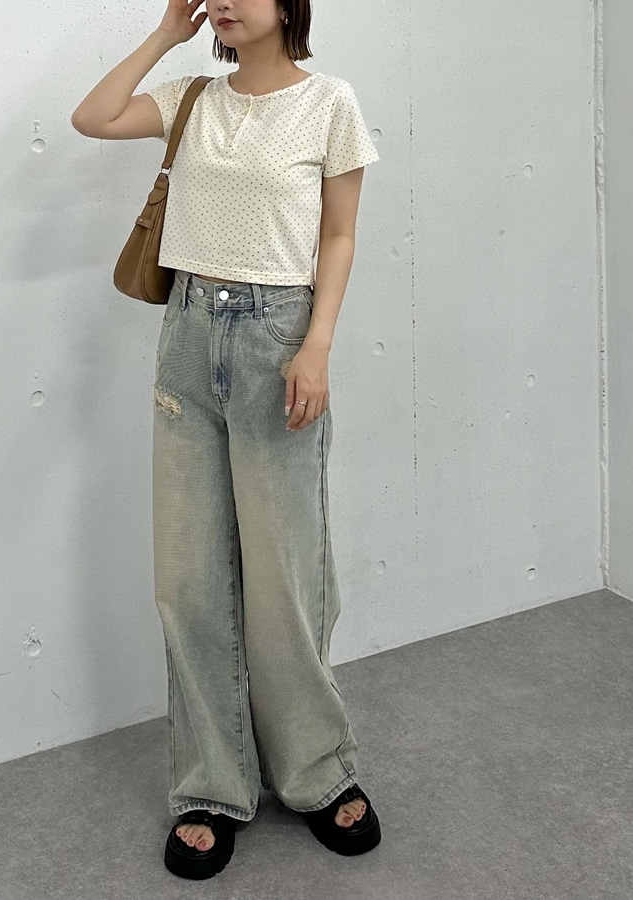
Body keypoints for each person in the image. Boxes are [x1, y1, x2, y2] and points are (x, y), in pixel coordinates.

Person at [72, 0, 382, 880]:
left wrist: (316, 346)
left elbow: (339, 233)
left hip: (278, 340)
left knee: (285, 578)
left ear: (289, 6)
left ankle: (316, 771)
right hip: (187, 338)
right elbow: (92, 116)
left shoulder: (329, 102)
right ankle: (211, 784)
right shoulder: (192, 98)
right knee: (189, 581)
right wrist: (166, 34)